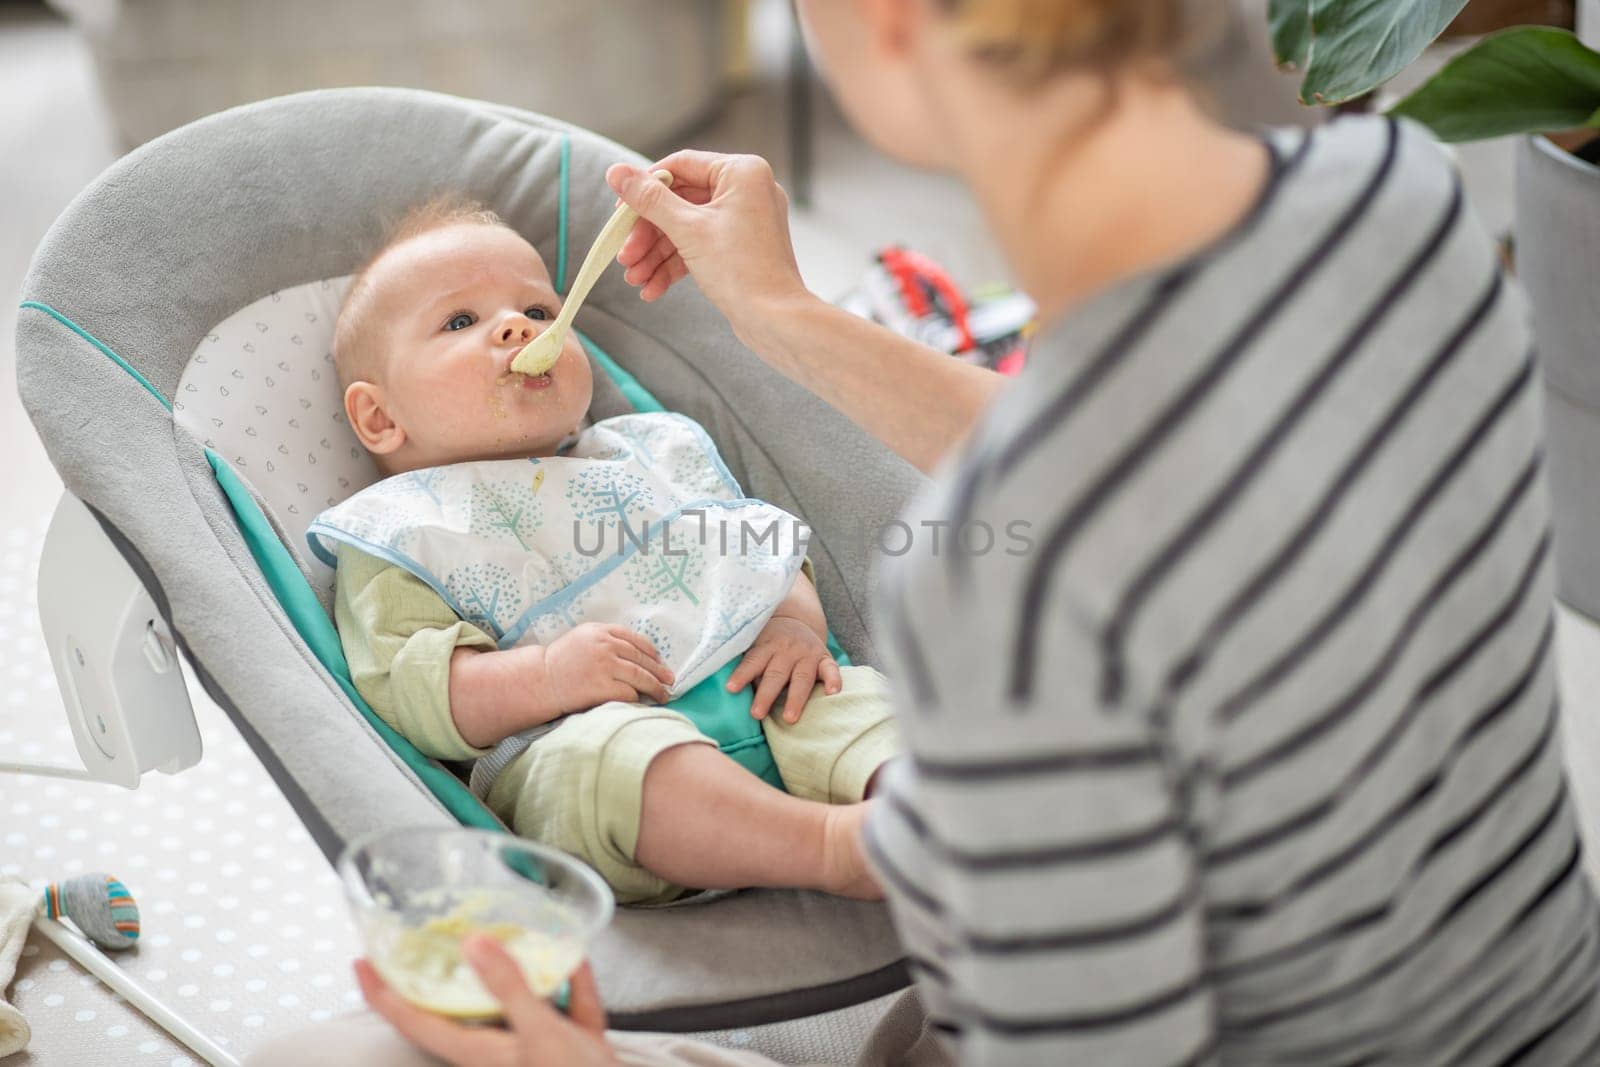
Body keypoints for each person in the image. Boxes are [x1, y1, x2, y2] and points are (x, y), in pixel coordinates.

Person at [250, 0, 1600, 1063]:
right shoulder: (1401, 208)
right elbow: (1110, 461)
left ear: (885, 20)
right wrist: (779, 314)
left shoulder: (999, 600)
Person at [313, 198, 897, 906]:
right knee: (608, 768)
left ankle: (921, 821)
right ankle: (833, 848)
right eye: (460, 322)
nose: (518, 326)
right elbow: (416, 690)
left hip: (761, 690)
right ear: (379, 416)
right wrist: (548, 676)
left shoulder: (644, 452)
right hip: (594, 742)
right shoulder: (401, 533)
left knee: (853, 699)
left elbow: (758, 546)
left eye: (537, 309)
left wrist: (793, 625)